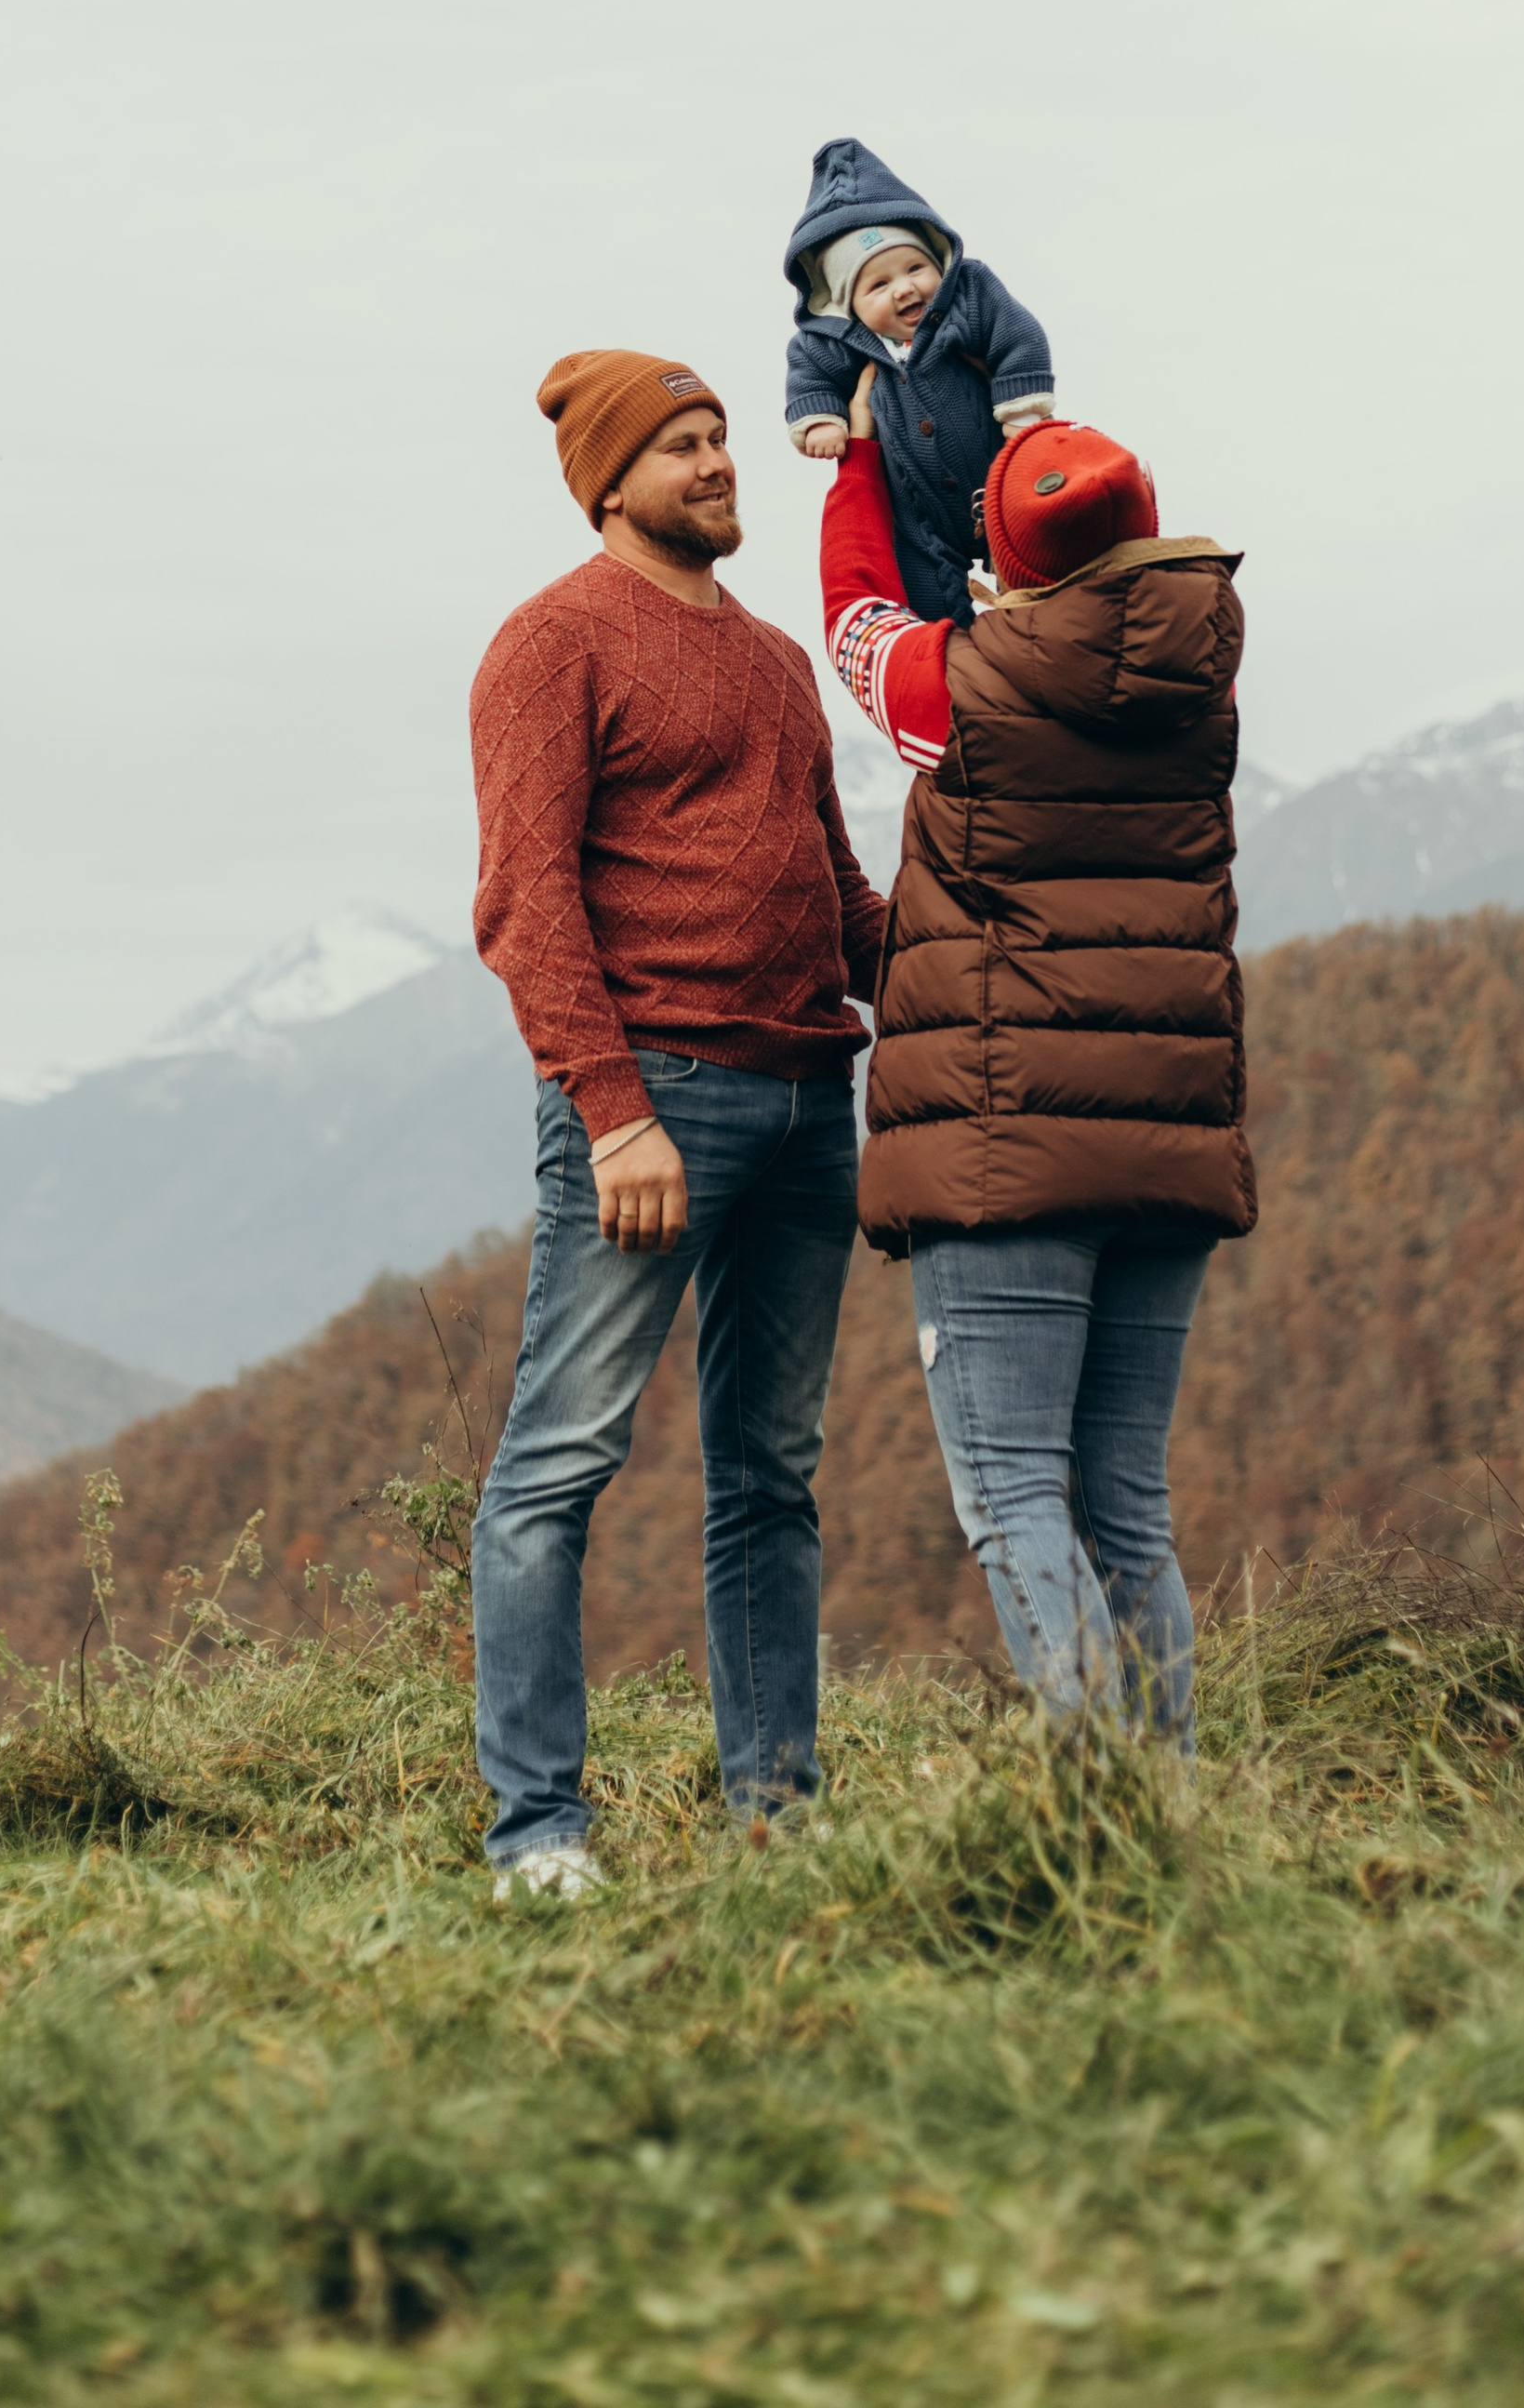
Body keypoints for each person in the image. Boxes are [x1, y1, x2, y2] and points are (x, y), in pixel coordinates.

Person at [468, 348, 885, 1896]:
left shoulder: (779, 664)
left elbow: (839, 901)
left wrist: (976, 931)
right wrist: (612, 1111)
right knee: (557, 1468)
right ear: (610, 482)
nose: (718, 463)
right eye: (682, 445)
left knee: (771, 1476)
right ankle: (540, 1834)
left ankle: (775, 1814)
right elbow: (528, 901)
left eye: (720, 437)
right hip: (660, 1105)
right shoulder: (551, 645)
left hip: (805, 1103)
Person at [821, 366, 1254, 1752]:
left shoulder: (966, 689)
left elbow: (854, 627)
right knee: (1128, 1501)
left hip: (1007, 1148)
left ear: (1010, 568)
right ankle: (1171, 1799)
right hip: (1167, 1144)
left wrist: (852, 461)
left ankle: (1100, 1812)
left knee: (1011, 1488)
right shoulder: (1200, 691)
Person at [783, 134, 1054, 627]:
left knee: (1037, 555)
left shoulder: (969, 297)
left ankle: (1034, 626)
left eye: (915, 267)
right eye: (879, 284)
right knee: (924, 591)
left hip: (1000, 476)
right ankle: (951, 644)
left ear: (938, 261)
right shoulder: (843, 344)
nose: (906, 287)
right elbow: (809, 372)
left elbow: (1018, 338)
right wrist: (821, 419)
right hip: (918, 510)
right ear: (848, 308)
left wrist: (1022, 413)